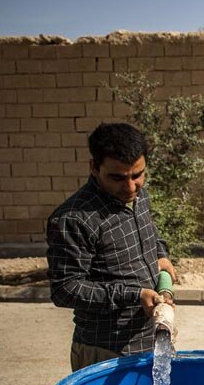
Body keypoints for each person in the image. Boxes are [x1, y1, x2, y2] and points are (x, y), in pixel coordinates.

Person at [47, 123, 177, 371]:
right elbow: (65, 289)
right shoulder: (72, 219)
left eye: (137, 175)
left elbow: (149, 233)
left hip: (149, 340)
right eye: (117, 177)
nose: (130, 187)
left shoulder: (139, 197)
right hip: (104, 351)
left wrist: (160, 254)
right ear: (94, 168)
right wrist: (134, 294)